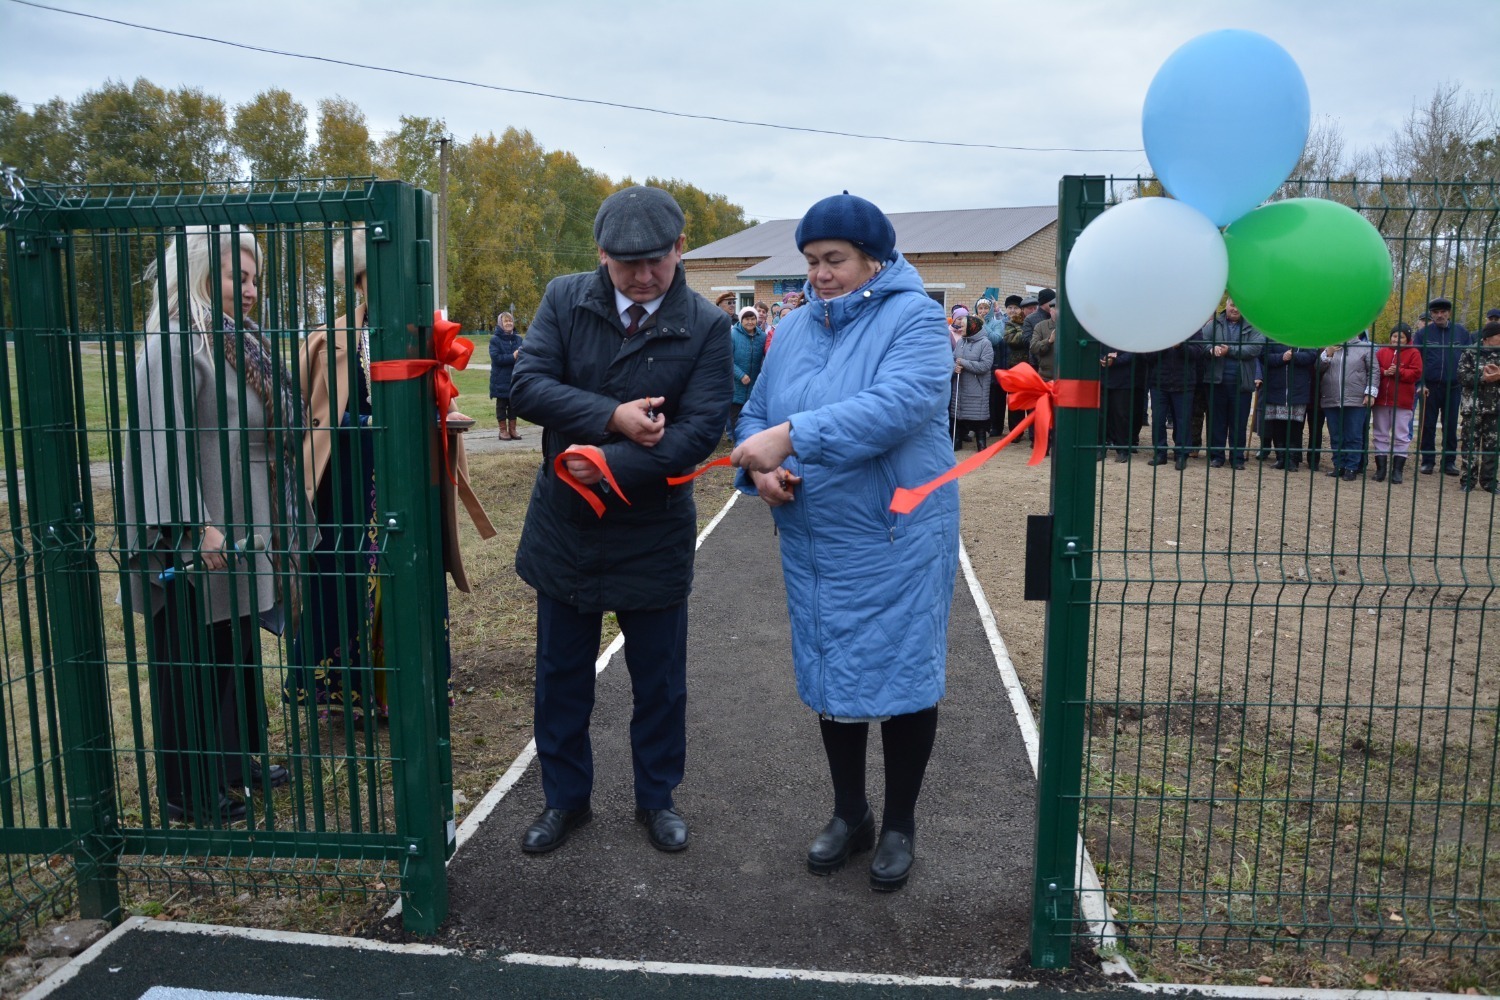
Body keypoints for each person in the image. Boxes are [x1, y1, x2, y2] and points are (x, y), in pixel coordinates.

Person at [732, 191, 958, 893]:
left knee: (903, 673)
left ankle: (899, 823)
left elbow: (898, 405)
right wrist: (760, 472)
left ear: (874, 258)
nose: (820, 274)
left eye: (834, 260)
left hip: (896, 533)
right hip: (815, 536)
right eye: (811, 261)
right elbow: (755, 415)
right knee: (833, 676)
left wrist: (794, 437)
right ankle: (849, 811)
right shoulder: (793, 329)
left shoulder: (915, 319)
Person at [510, 186, 732, 855]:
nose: (642, 276)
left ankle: (656, 797)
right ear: (601, 255)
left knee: (659, 682)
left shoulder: (706, 324)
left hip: (652, 529)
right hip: (567, 527)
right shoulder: (564, 297)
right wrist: (611, 420)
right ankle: (565, 800)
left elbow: (699, 431)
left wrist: (605, 467)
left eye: (656, 261)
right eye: (627, 263)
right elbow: (525, 386)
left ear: (680, 249)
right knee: (561, 677)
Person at [120, 226, 298, 824]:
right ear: (199, 273)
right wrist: (195, 527)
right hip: (202, 530)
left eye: (253, 279)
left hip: (245, 517)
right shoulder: (173, 342)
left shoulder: (237, 340)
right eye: (234, 276)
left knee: (232, 645)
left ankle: (226, 759)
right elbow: (158, 443)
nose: (248, 289)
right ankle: (186, 788)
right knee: (190, 654)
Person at [290, 229, 496, 723]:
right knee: (341, 581)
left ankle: (403, 692)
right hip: (346, 487)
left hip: (409, 486)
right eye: (367, 279)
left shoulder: (423, 337)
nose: (377, 288)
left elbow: (443, 402)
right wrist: (357, 427)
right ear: (356, 283)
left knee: (408, 580)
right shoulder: (327, 340)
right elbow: (304, 418)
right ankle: (341, 695)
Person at [1199, 298, 1266, 469]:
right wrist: (1210, 349)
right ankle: (1216, 456)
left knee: (1239, 422)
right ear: (1226, 305)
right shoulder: (1213, 325)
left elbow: (1255, 348)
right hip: (1216, 381)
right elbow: (1201, 343)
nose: (1235, 309)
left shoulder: (1253, 326)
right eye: (1232, 305)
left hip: (1241, 383)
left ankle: (1237, 458)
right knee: (1216, 421)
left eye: (1239, 306)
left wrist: (1230, 351)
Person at [1415, 295, 1473, 476]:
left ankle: (1448, 462)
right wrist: (1420, 383)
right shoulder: (1422, 334)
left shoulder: (1461, 332)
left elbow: (1470, 357)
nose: (1439, 315)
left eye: (1443, 312)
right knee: (1428, 425)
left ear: (1449, 313)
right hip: (1429, 388)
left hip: (1453, 388)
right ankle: (1427, 461)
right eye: (1435, 312)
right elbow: (1416, 360)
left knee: (1450, 425)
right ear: (1431, 314)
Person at [1316, 333, 1379, 481]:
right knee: (1336, 435)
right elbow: (1318, 369)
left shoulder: (1365, 348)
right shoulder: (1329, 347)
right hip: (1331, 398)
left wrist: (1370, 393)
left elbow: (1374, 371)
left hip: (1356, 400)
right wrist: (1328, 354)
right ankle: (1339, 465)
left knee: (1354, 435)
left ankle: (1352, 467)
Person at [1144, 330, 1208, 470]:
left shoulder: (1193, 326)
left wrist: (1180, 347)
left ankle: (1181, 454)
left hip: (1184, 382)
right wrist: (1165, 345)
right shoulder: (1158, 328)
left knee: (1183, 421)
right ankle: (1160, 453)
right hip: (1159, 382)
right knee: (1158, 420)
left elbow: (1197, 352)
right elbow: (1148, 355)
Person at [1371, 323, 1422, 484]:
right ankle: (1381, 469)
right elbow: (1374, 369)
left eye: (1400, 337)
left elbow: (1416, 373)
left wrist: (1399, 372)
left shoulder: (1413, 353)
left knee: (1401, 435)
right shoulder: (1381, 352)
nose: (1396, 339)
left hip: (1402, 401)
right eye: (1394, 336)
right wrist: (1384, 372)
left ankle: (1397, 471)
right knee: (1380, 433)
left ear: (1407, 339)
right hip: (1381, 399)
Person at [1259, 338, 1318, 471]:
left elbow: (1311, 355)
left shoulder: (1304, 335)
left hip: (1297, 389)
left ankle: (1293, 459)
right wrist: (1282, 357)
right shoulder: (1272, 335)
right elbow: (1264, 357)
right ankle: (1281, 458)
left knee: (1295, 428)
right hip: (1275, 388)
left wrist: (1294, 356)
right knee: (1277, 426)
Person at [1456, 320, 1500, 493]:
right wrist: (1482, 378)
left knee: (1493, 446)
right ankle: (1468, 480)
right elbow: (1461, 376)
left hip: (1496, 408)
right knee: (1469, 445)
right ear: (1488, 338)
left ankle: (1489, 482)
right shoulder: (1470, 352)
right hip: (1472, 407)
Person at [952, 314, 995, 450]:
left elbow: (985, 366)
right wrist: (955, 367)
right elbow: (953, 359)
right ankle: (956, 440)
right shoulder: (960, 342)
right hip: (960, 386)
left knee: (978, 417)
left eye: (963, 326)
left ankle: (981, 442)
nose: (960, 328)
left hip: (977, 387)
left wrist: (963, 363)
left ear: (972, 327)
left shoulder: (985, 343)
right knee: (958, 415)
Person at [729, 305, 765, 440]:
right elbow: (727, 360)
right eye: (746, 319)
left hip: (754, 386)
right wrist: (740, 375)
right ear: (741, 320)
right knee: (735, 418)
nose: (750, 322)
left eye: (752, 319)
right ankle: (737, 444)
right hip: (736, 385)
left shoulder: (762, 336)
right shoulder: (733, 335)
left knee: (751, 418)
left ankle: (749, 442)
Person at [489, 311, 525, 440]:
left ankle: (513, 429)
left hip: (515, 377)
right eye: (506, 321)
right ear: (500, 324)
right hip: (500, 378)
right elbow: (496, 358)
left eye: (510, 321)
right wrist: (513, 357)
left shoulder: (519, 339)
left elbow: (525, 355)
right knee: (501, 405)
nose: (509, 323)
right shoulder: (495, 340)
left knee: (513, 404)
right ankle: (503, 430)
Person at [1099, 345, 1136, 462]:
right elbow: (1093, 348)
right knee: (1100, 415)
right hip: (1102, 379)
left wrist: (1115, 361)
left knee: (1121, 415)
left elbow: (1132, 352)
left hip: (1122, 380)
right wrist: (1101, 358)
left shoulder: (1126, 332)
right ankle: (1100, 448)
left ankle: (1123, 449)